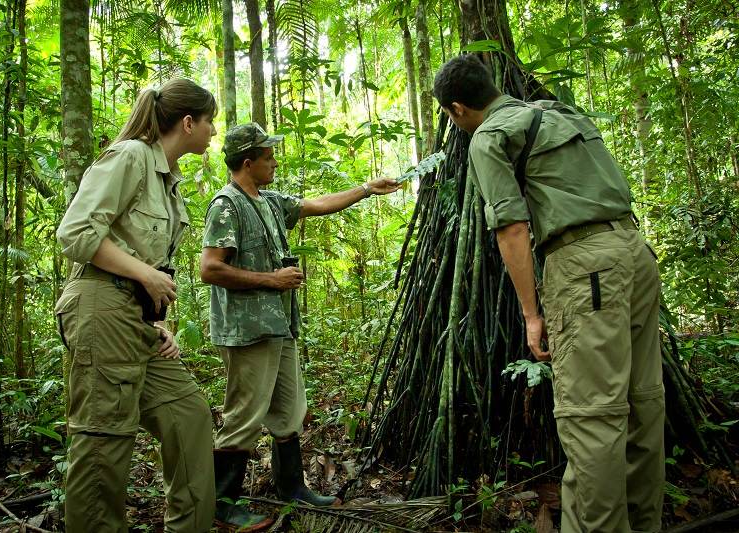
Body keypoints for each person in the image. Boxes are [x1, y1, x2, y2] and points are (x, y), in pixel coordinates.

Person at [432, 54, 665, 533]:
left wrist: (531, 314)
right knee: (644, 403)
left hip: (584, 266)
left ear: (457, 109)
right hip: (635, 253)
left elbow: (512, 227)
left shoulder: (488, 137)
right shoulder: (560, 112)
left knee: (592, 418)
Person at [199, 122, 399, 530]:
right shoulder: (226, 205)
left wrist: (366, 189)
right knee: (245, 414)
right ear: (248, 162)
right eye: (269, 157)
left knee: (289, 410)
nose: (275, 162)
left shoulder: (269, 202)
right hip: (248, 331)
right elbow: (210, 268)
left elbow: (315, 204)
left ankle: (291, 486)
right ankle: (220, 503)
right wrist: (272, 279)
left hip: (279, 326)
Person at [55, 78, 218, 533]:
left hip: (135, 319)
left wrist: (155, 320)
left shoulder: (168, 182)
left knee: (187, 415)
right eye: (210, 123)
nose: (213, 133)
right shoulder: (130, 156)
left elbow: (144, 258)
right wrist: (144, 275)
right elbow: (76, 233)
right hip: (99, 307)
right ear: (188, 123)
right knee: (104, 438)